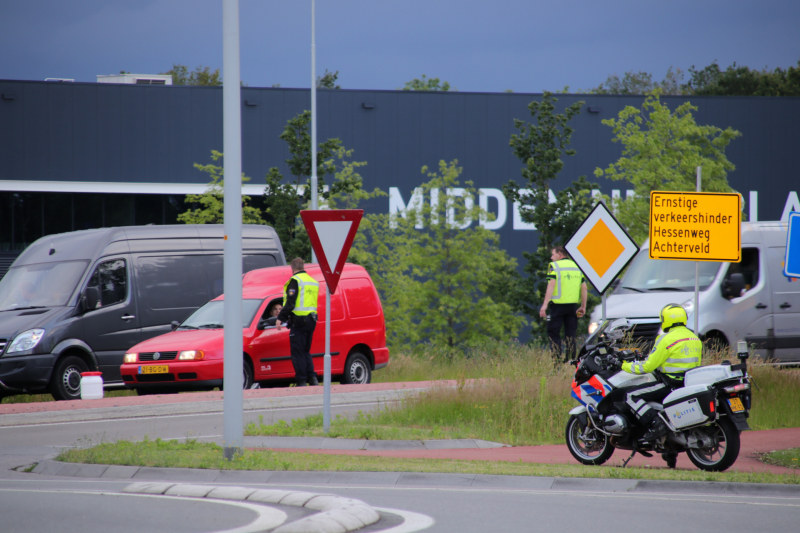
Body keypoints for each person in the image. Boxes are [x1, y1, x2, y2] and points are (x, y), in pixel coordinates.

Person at [618, 304, 702, 441]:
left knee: (630, 396)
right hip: (687, 384)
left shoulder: (666, 339)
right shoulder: (694, 338)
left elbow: (647, 367)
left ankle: (656, 424)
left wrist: (624, 366)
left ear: (667, 319)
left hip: (670, 384)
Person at [276, 258, 320, 386]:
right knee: (306, 351)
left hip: (299, 321)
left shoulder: (295, 281)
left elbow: (290, 303)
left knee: (297, 352)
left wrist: (280, 318)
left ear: (292, 268)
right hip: (312, 320)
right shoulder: (312, 281)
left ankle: (301, 381)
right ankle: (312, 379)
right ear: (303, 267)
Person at [539, 246, 587, 361]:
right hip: (572, 307)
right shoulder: (577, 267)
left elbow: (551, 284)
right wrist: (583, 306)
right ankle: (571, 361)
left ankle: (557, 362)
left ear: (560, 254)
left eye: (553, 254)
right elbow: (584, 288)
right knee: (570, 335)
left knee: (553, 333)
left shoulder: (554, 266)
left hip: (557, 306)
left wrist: (544, 305)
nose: (551, 257)